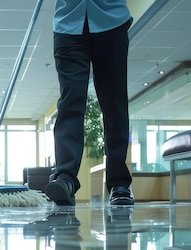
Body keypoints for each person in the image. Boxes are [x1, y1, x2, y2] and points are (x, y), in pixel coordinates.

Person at [45, 0, 134, 206]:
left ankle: (119, 183)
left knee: (114, 102)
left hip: (111, 21)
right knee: (70, 101)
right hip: (68, 24)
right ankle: (65, 178)